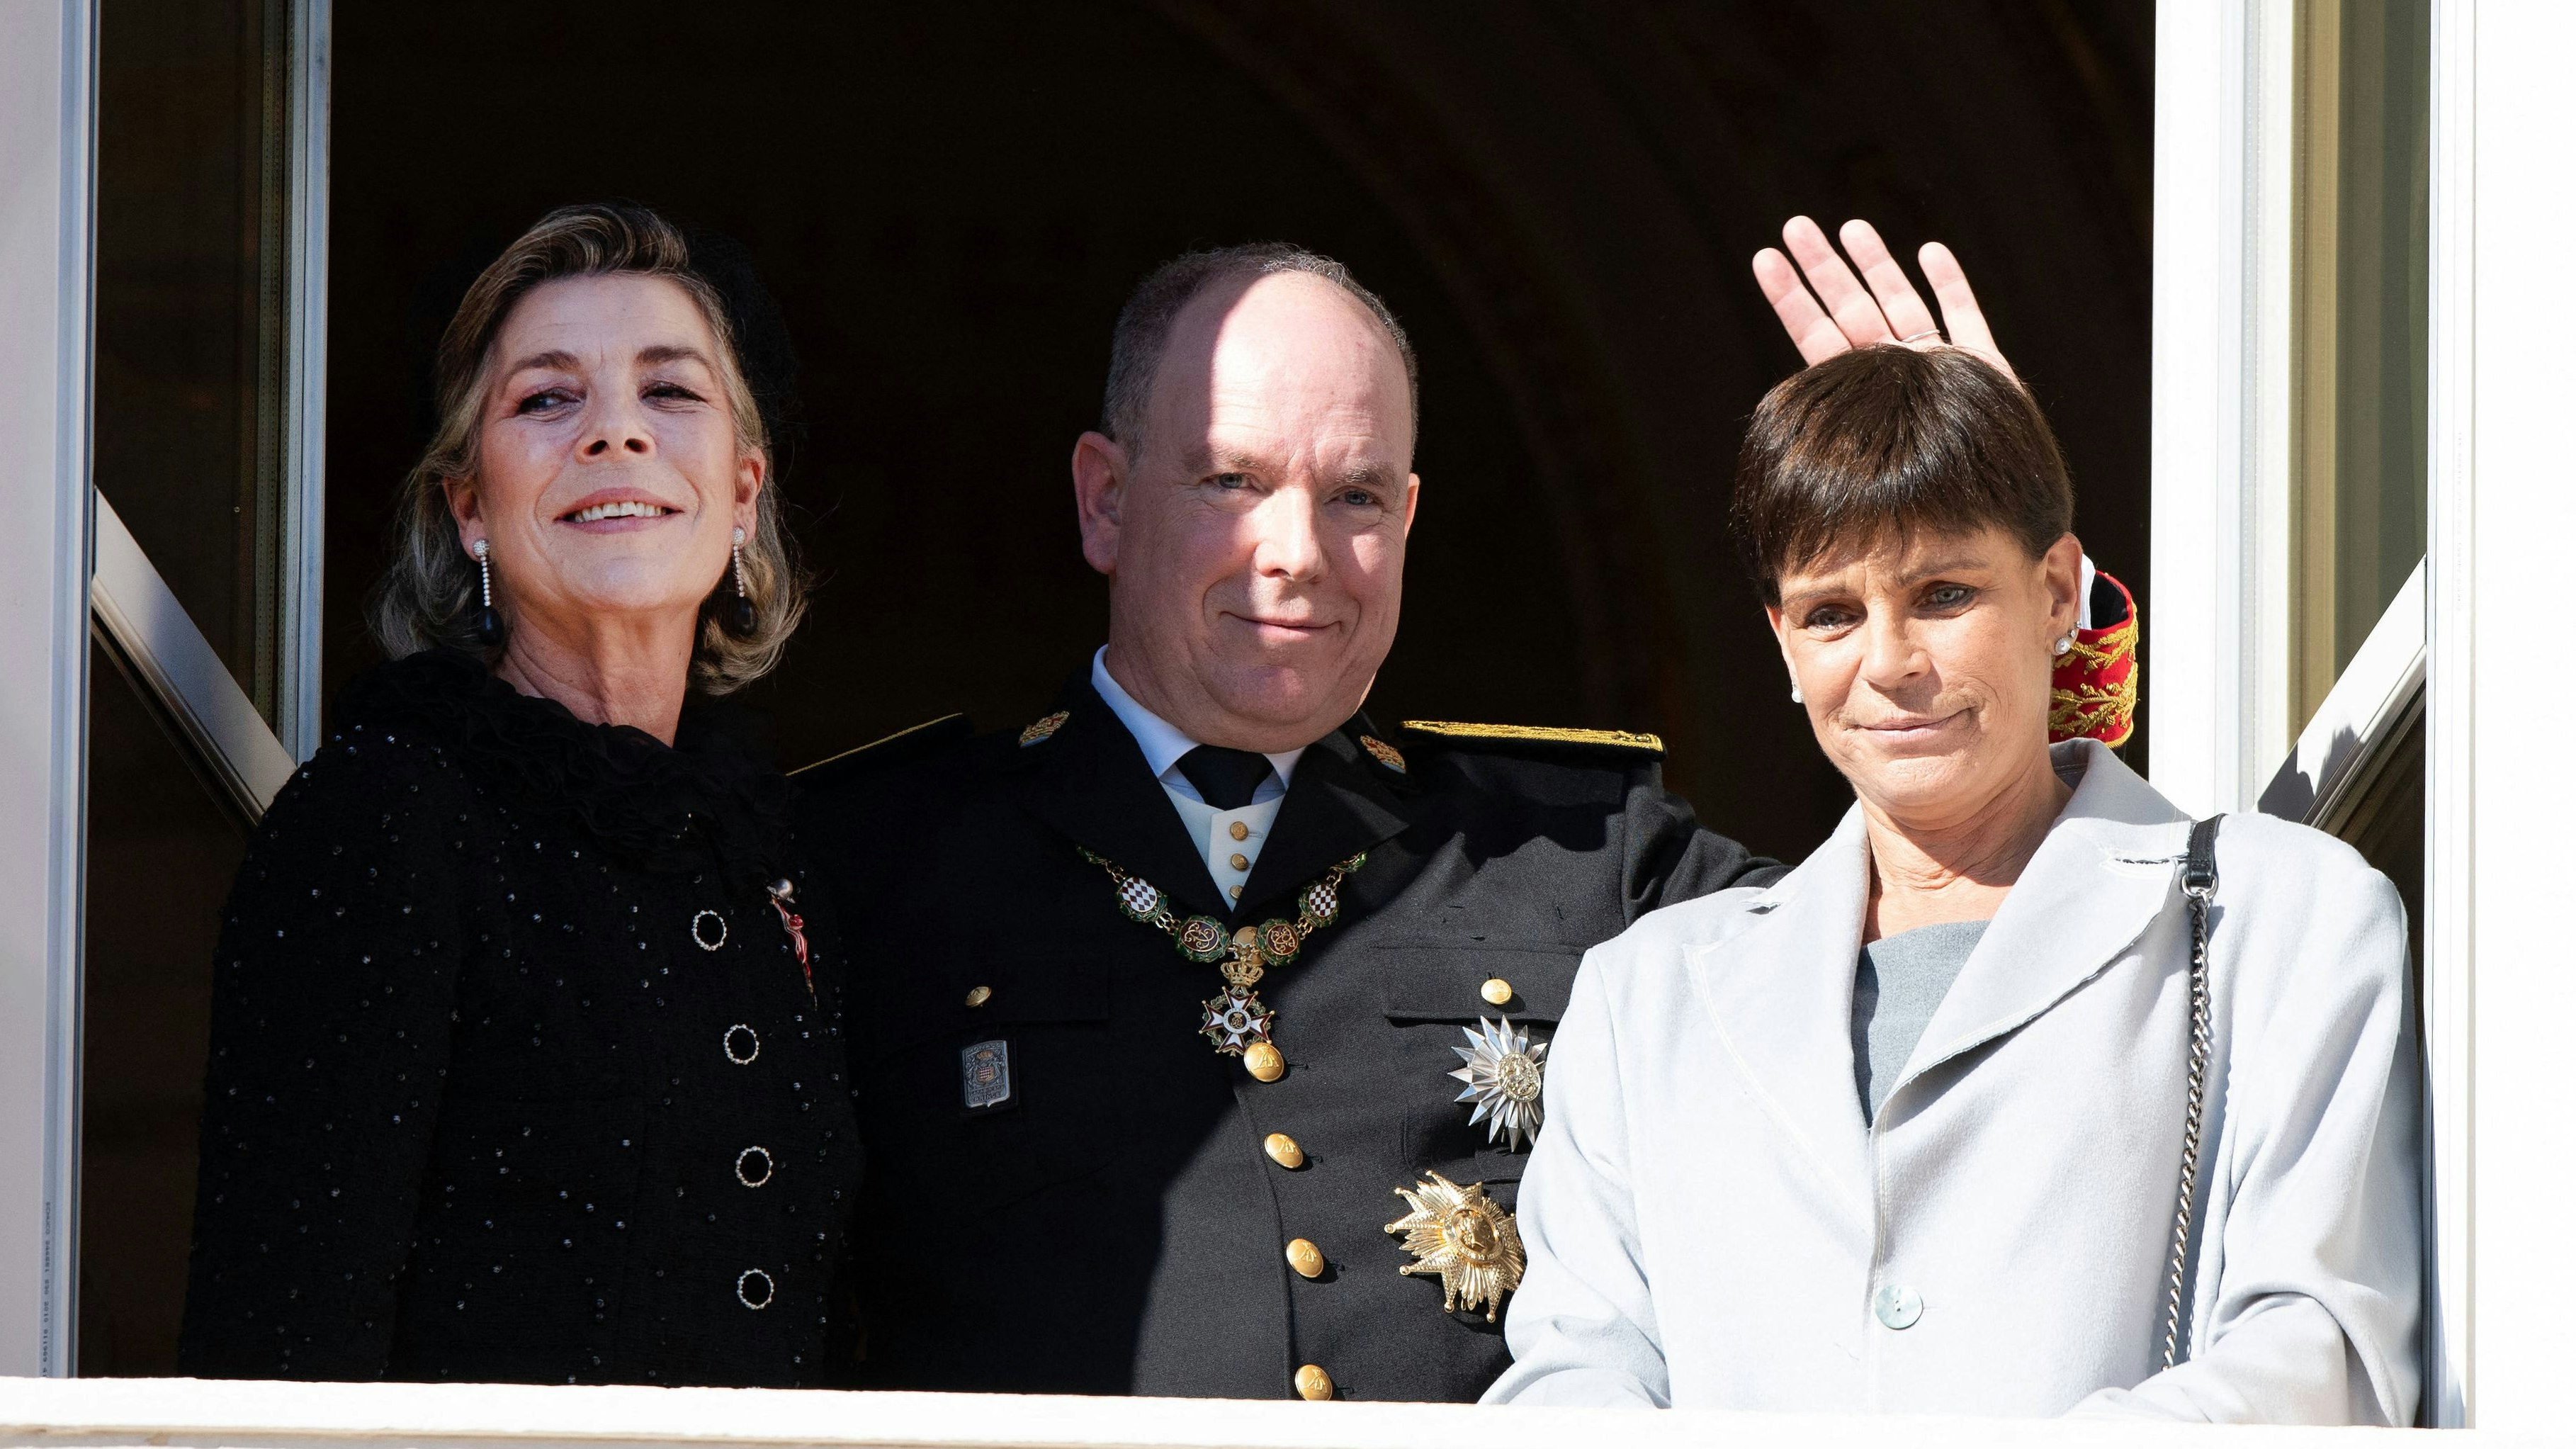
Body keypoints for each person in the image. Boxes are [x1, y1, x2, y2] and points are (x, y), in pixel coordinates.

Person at [800, 225, 2130, 1404]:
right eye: (1230, 481)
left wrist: (1984, 534)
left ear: (1412, 515)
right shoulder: (875, 857)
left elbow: (1953, 990)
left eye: (1356, 495)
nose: (1298, 551)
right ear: (1104, 496)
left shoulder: (1581, 851)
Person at [1482, 344, 2419, 1421]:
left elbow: (2319, 1351)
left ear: (2058, 591)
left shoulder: (2282, 914)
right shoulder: (1644, 996)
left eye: (1943, 593)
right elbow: (1573, 1377)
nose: (1889, 660)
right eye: (1832, 612)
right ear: (1783, 645)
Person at [179, 203, 862, 1387]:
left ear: (743, 493)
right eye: (548, 399)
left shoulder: (776, 864)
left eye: (672, 392)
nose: (614, 435)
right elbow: (277, 1350)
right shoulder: (384, 819)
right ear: (470, 506)